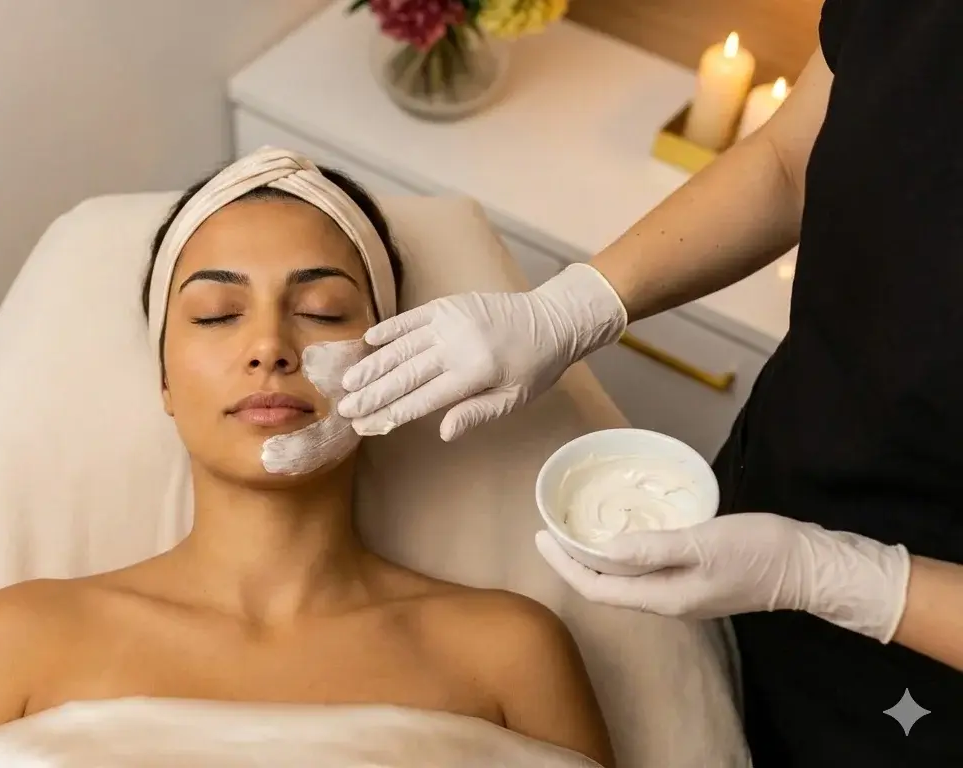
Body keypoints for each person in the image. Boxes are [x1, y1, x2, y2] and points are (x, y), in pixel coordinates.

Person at [336, 2, 962, 765]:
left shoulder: (508, 644)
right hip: (771, 492)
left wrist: (842, 578)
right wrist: (579, 305)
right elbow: (792, 160)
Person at [0, 154, 616, 767]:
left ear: (391, 365)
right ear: (163, 380)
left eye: (323, 310)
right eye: (218, 313)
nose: (269, 346)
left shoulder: (508, 651)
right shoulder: (22, 636)